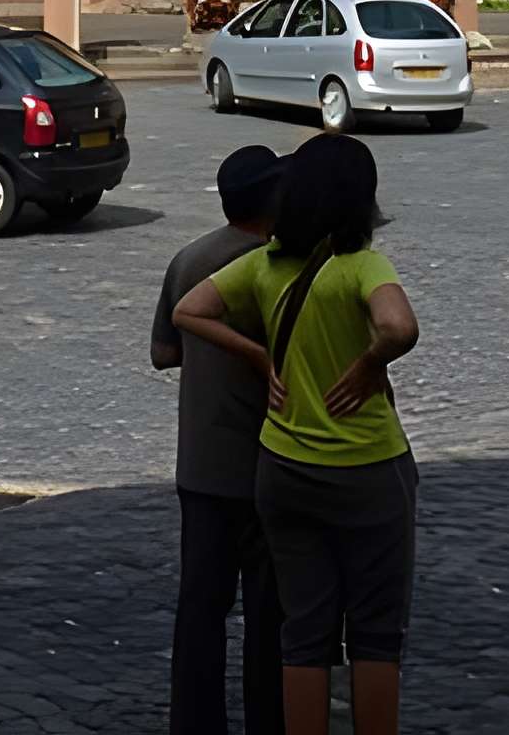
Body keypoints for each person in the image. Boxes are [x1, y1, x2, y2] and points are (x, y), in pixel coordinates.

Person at [172, 134, 418, 735]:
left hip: (281, 466)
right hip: (366, 467)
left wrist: (260, 357)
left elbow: (188, 312)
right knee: (375, 634)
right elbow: (399, 326)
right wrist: (367, 365)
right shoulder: (362, 265)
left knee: (303, 632)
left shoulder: (261, 265)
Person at [153, 144, 288, 735]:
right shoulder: (277, 267)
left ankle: (195, 722)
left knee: (201, 609)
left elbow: (164, 352)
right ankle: (269, 719)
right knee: (270, 613)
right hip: (266, 465)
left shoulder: (190, 259)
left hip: (201, 465)